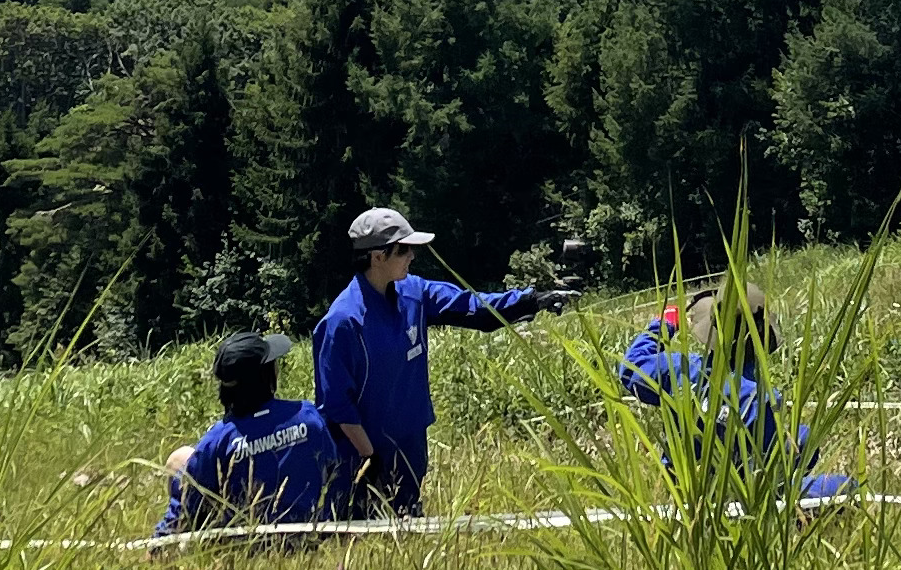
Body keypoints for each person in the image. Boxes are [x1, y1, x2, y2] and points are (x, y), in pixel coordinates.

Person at [311, 206, 578, 516]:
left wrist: (531, 300)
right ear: (377, 256)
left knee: (409, 532)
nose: (412, 256)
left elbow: (474, 308)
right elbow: (335, 404)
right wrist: (369, 458)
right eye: (404, 249)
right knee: (362, 546)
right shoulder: (343, 322)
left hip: (410, 445)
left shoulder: (414, 292)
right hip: (364, 457)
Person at [616, 288, 851, 501]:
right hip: (742, 491)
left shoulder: (680, 371)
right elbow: (773, 457)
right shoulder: (762, 398)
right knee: (828, 467)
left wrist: (665, 323)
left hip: (683, 484)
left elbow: (631, 367)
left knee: (801, 440)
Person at [156, 331, 342, 536]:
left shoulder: (219, 439)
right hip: (308, 535)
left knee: (179, 458)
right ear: (265, 376)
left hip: (243, 543)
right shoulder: (307, 415)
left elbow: (183, 507)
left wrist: (158, 545)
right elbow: (333, 468)